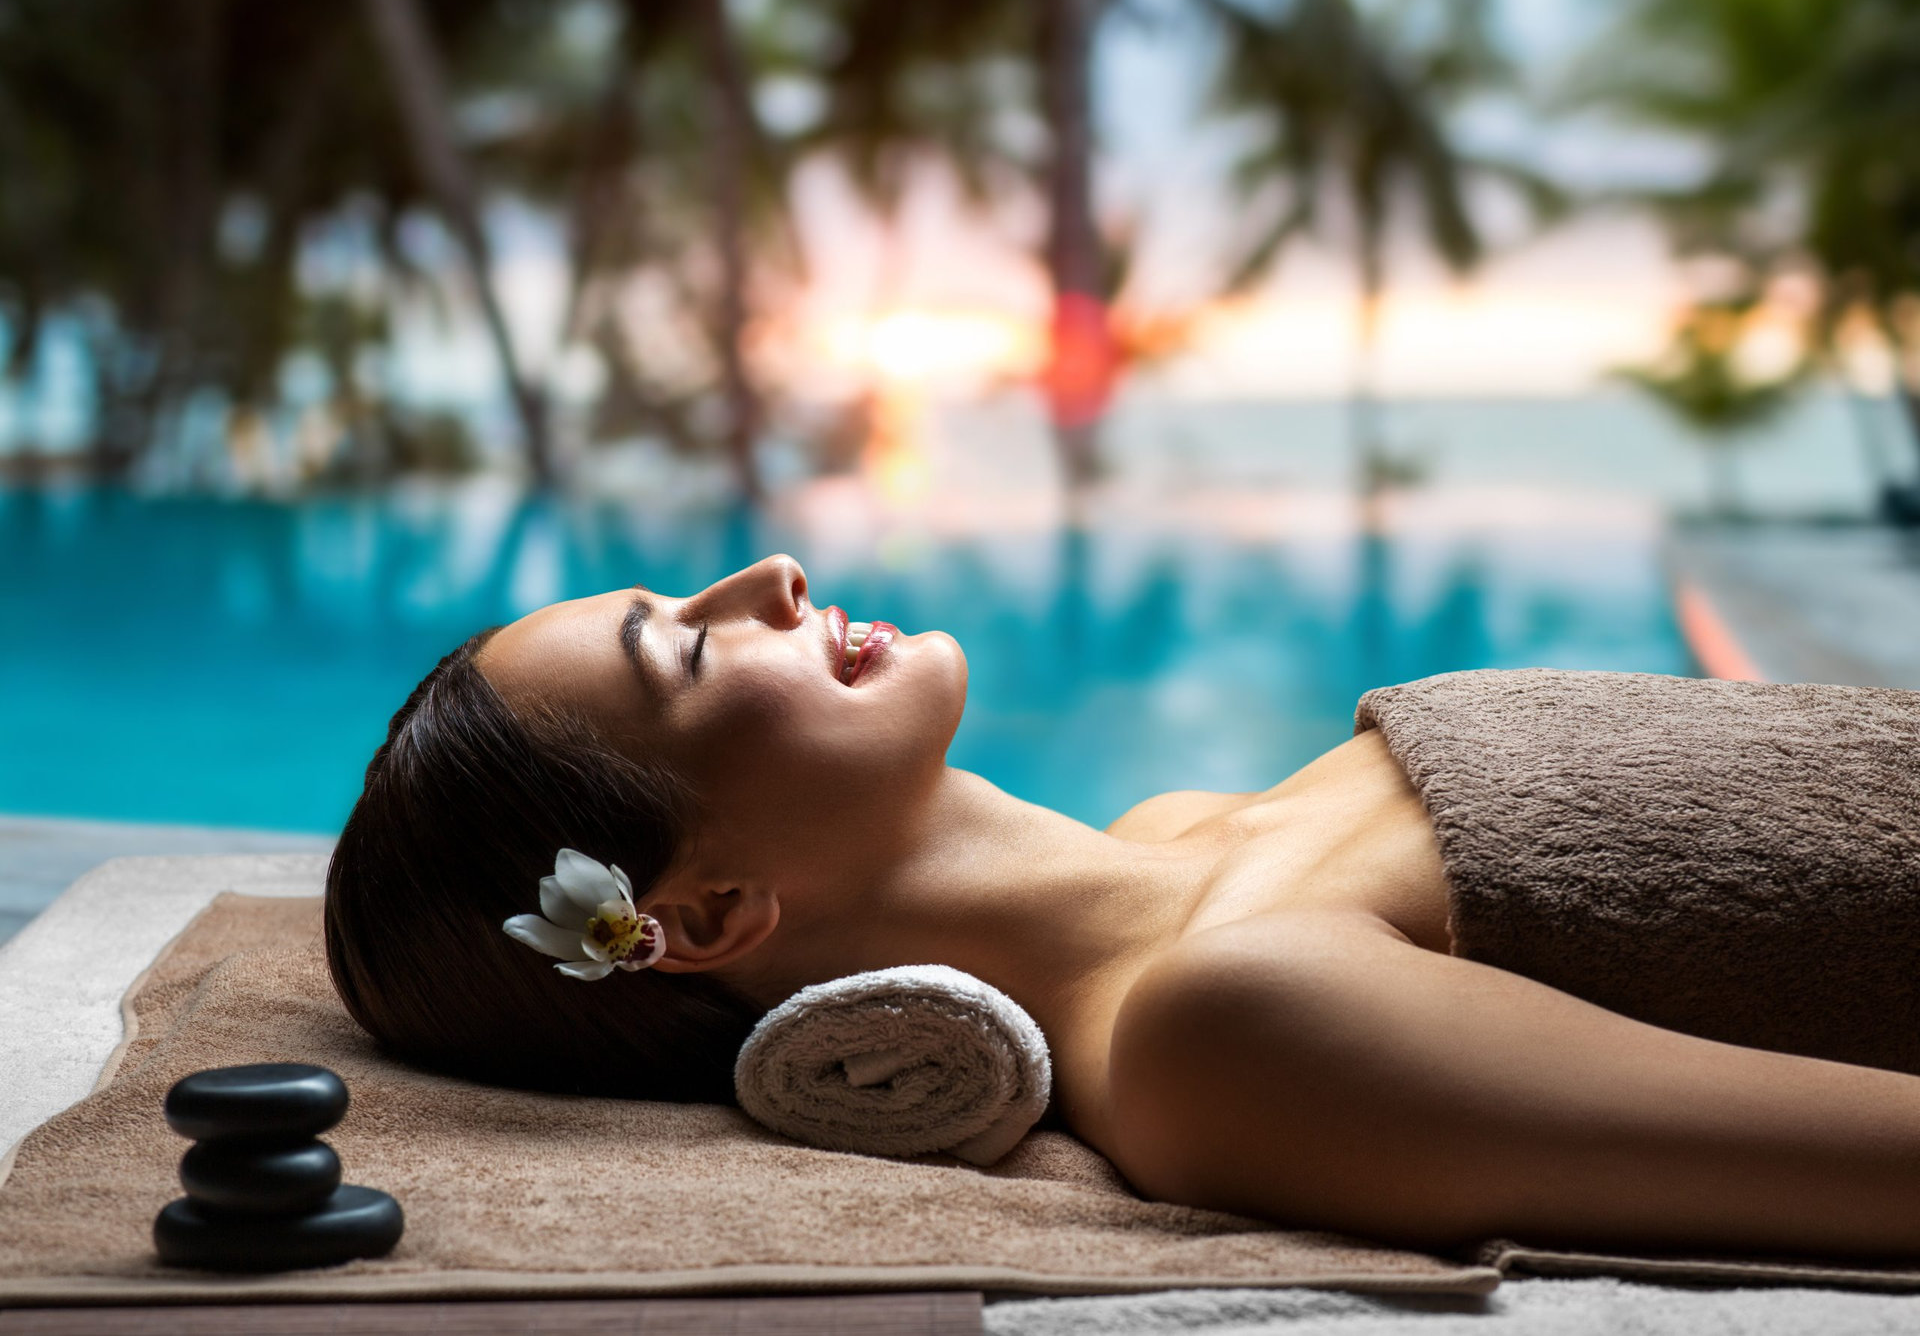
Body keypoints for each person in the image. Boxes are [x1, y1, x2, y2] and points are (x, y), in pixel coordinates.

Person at [325, 554, 1920, 1260]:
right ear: (714, 910)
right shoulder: (1227, 1031)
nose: (771, 574)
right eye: (685, 647)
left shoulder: (1188, 830)